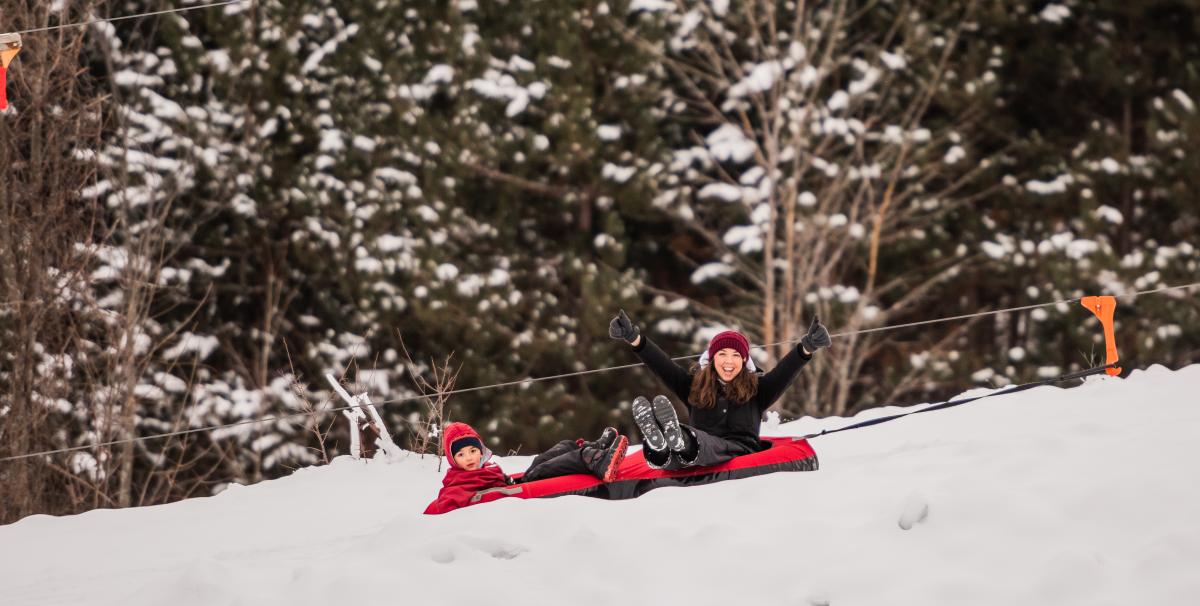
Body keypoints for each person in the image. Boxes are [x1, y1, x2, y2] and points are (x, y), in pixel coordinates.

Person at [608, 309, 830, 470]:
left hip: (739, 450)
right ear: (712, 359)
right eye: (722, 354)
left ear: (744, 361)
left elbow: (785, 372)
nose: (729, 361)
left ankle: (677, 438)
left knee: (699, 442)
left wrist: (808, 346)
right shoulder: (694, 386)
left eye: (736, 355)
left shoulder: (758, 389)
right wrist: (634, 338)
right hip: (694, 455)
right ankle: (660, 444)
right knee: (682, 452)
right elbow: (662, 366)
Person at [424, 421, 629, 515]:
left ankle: (594, 447)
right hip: (514, 493)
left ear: (481, 450)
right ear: (453, 460)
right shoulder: (457, 482)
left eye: (472, 450)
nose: (469, 458)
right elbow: (445, 504)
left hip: (511, 484)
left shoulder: (485, 469)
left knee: (545, 458)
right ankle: (594, 461)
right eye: (461, 455)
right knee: (542, 470)